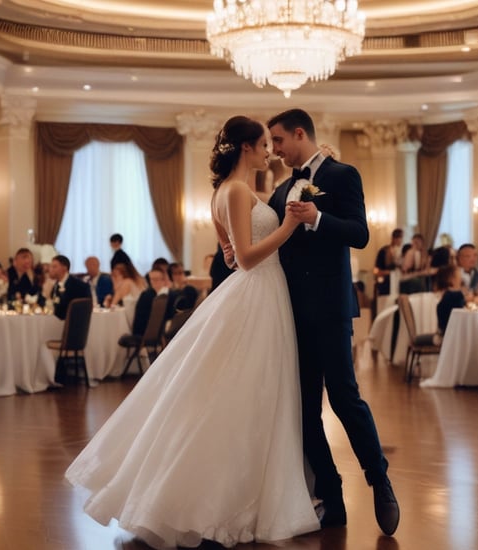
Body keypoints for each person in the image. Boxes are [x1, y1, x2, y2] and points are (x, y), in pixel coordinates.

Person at [65, 115, 318, 548]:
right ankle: (220, 498)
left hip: (256, 293)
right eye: (262, 145)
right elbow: (249, 257)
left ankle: (244, 492)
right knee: (243, 395)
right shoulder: (237, 191)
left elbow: (232, 256)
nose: (268, 152)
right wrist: (288, 227)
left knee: (248, 394)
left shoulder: (224, 192)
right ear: (244, 148)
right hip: (257, 293)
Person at [266, 108, 399, 536]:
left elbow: (360, 233)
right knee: (304, 411)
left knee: (344, 397)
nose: (275, 151)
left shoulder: (343, 175)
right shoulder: (281, 189)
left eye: (279, 141)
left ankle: (379, 479)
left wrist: (317, 218)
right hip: (293, 314)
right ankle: (332, 495)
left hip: (332, 306)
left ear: (299, 133)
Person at [48, 255, 91, 320]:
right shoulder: (55, 285)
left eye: (54, 267)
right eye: (50, 267)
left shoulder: (79, 285)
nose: (50, 269)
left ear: (64, 268)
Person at [373, 228, 404, 297]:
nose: (400, 240)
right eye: (398, 238)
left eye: (401, 238)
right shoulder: (384, 251)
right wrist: (390, 272)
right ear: (393, 238)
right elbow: (377, 270)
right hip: (386, 280)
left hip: (398, 279)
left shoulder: (403, 252)